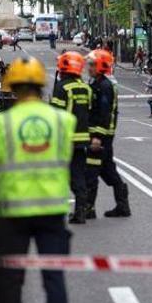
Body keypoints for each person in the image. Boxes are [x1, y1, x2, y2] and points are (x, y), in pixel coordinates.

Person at [0, 57, 78, 303]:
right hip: (51, 210)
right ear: (41, 85)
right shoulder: (62, 121)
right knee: (54, 280)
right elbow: (65, 155)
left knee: (10, 283)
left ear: (12, 88)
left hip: (10, 212)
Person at [85, 49, 131, 218]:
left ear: (100, 66)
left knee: (90, 172)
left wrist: (97, 137)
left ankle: (88, 209)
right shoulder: (98, 84)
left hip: (101, 137)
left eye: (92, 64)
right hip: (104, 137)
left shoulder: (104, 87)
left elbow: (103, 114)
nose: (88, 67)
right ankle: (123, 206)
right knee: (108, 172)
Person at [51, 51, 93, 225]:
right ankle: (81, 211)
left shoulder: (62, 88)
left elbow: (55, 115)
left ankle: (57, 213)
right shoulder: (85, 88)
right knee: (78, 175)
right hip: (82, 140)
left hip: (64, 140)